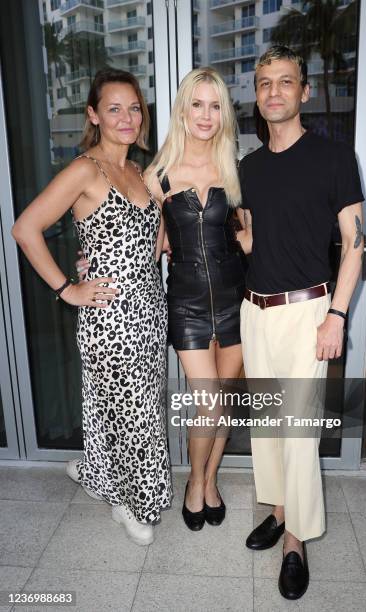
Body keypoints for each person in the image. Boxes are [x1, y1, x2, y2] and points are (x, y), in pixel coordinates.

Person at [12, 69, 172, 546]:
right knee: (135, 415)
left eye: (134, 107)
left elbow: (153, 238)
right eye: (114, 108)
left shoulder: (143, 171)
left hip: (150, 312)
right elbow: (25, 229)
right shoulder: (86, 169)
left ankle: (97, 471)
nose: (127, 117)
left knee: (122, 410)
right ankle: (133, 503)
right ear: (93, 115)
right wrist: (68, 289)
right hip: (109, 319)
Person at [236, 46, 364, 600]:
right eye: (265, 84)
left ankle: (296, 541)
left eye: (285, 82)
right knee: (268, 428)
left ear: (304, 92)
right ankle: (281, 509)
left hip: (309, 311)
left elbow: (356, 246)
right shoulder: (249, 166)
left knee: (299, 432)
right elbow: (251, 235)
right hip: (254, 312)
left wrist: (336, 315)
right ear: (258, 96)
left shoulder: (335, 158)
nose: (274, 92)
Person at [146, 67, 245, 530]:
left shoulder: (234, 167)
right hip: (185, 304)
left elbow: (249, 237)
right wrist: (92, 263)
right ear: (183, 110)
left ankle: (208, 481)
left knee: (223, 401)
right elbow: (146, 244)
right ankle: (192, 481)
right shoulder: (158, 176)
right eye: (197, 104)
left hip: (235, 301)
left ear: (223, 112)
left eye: (215, 105)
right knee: (207, 401)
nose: (206, 115)